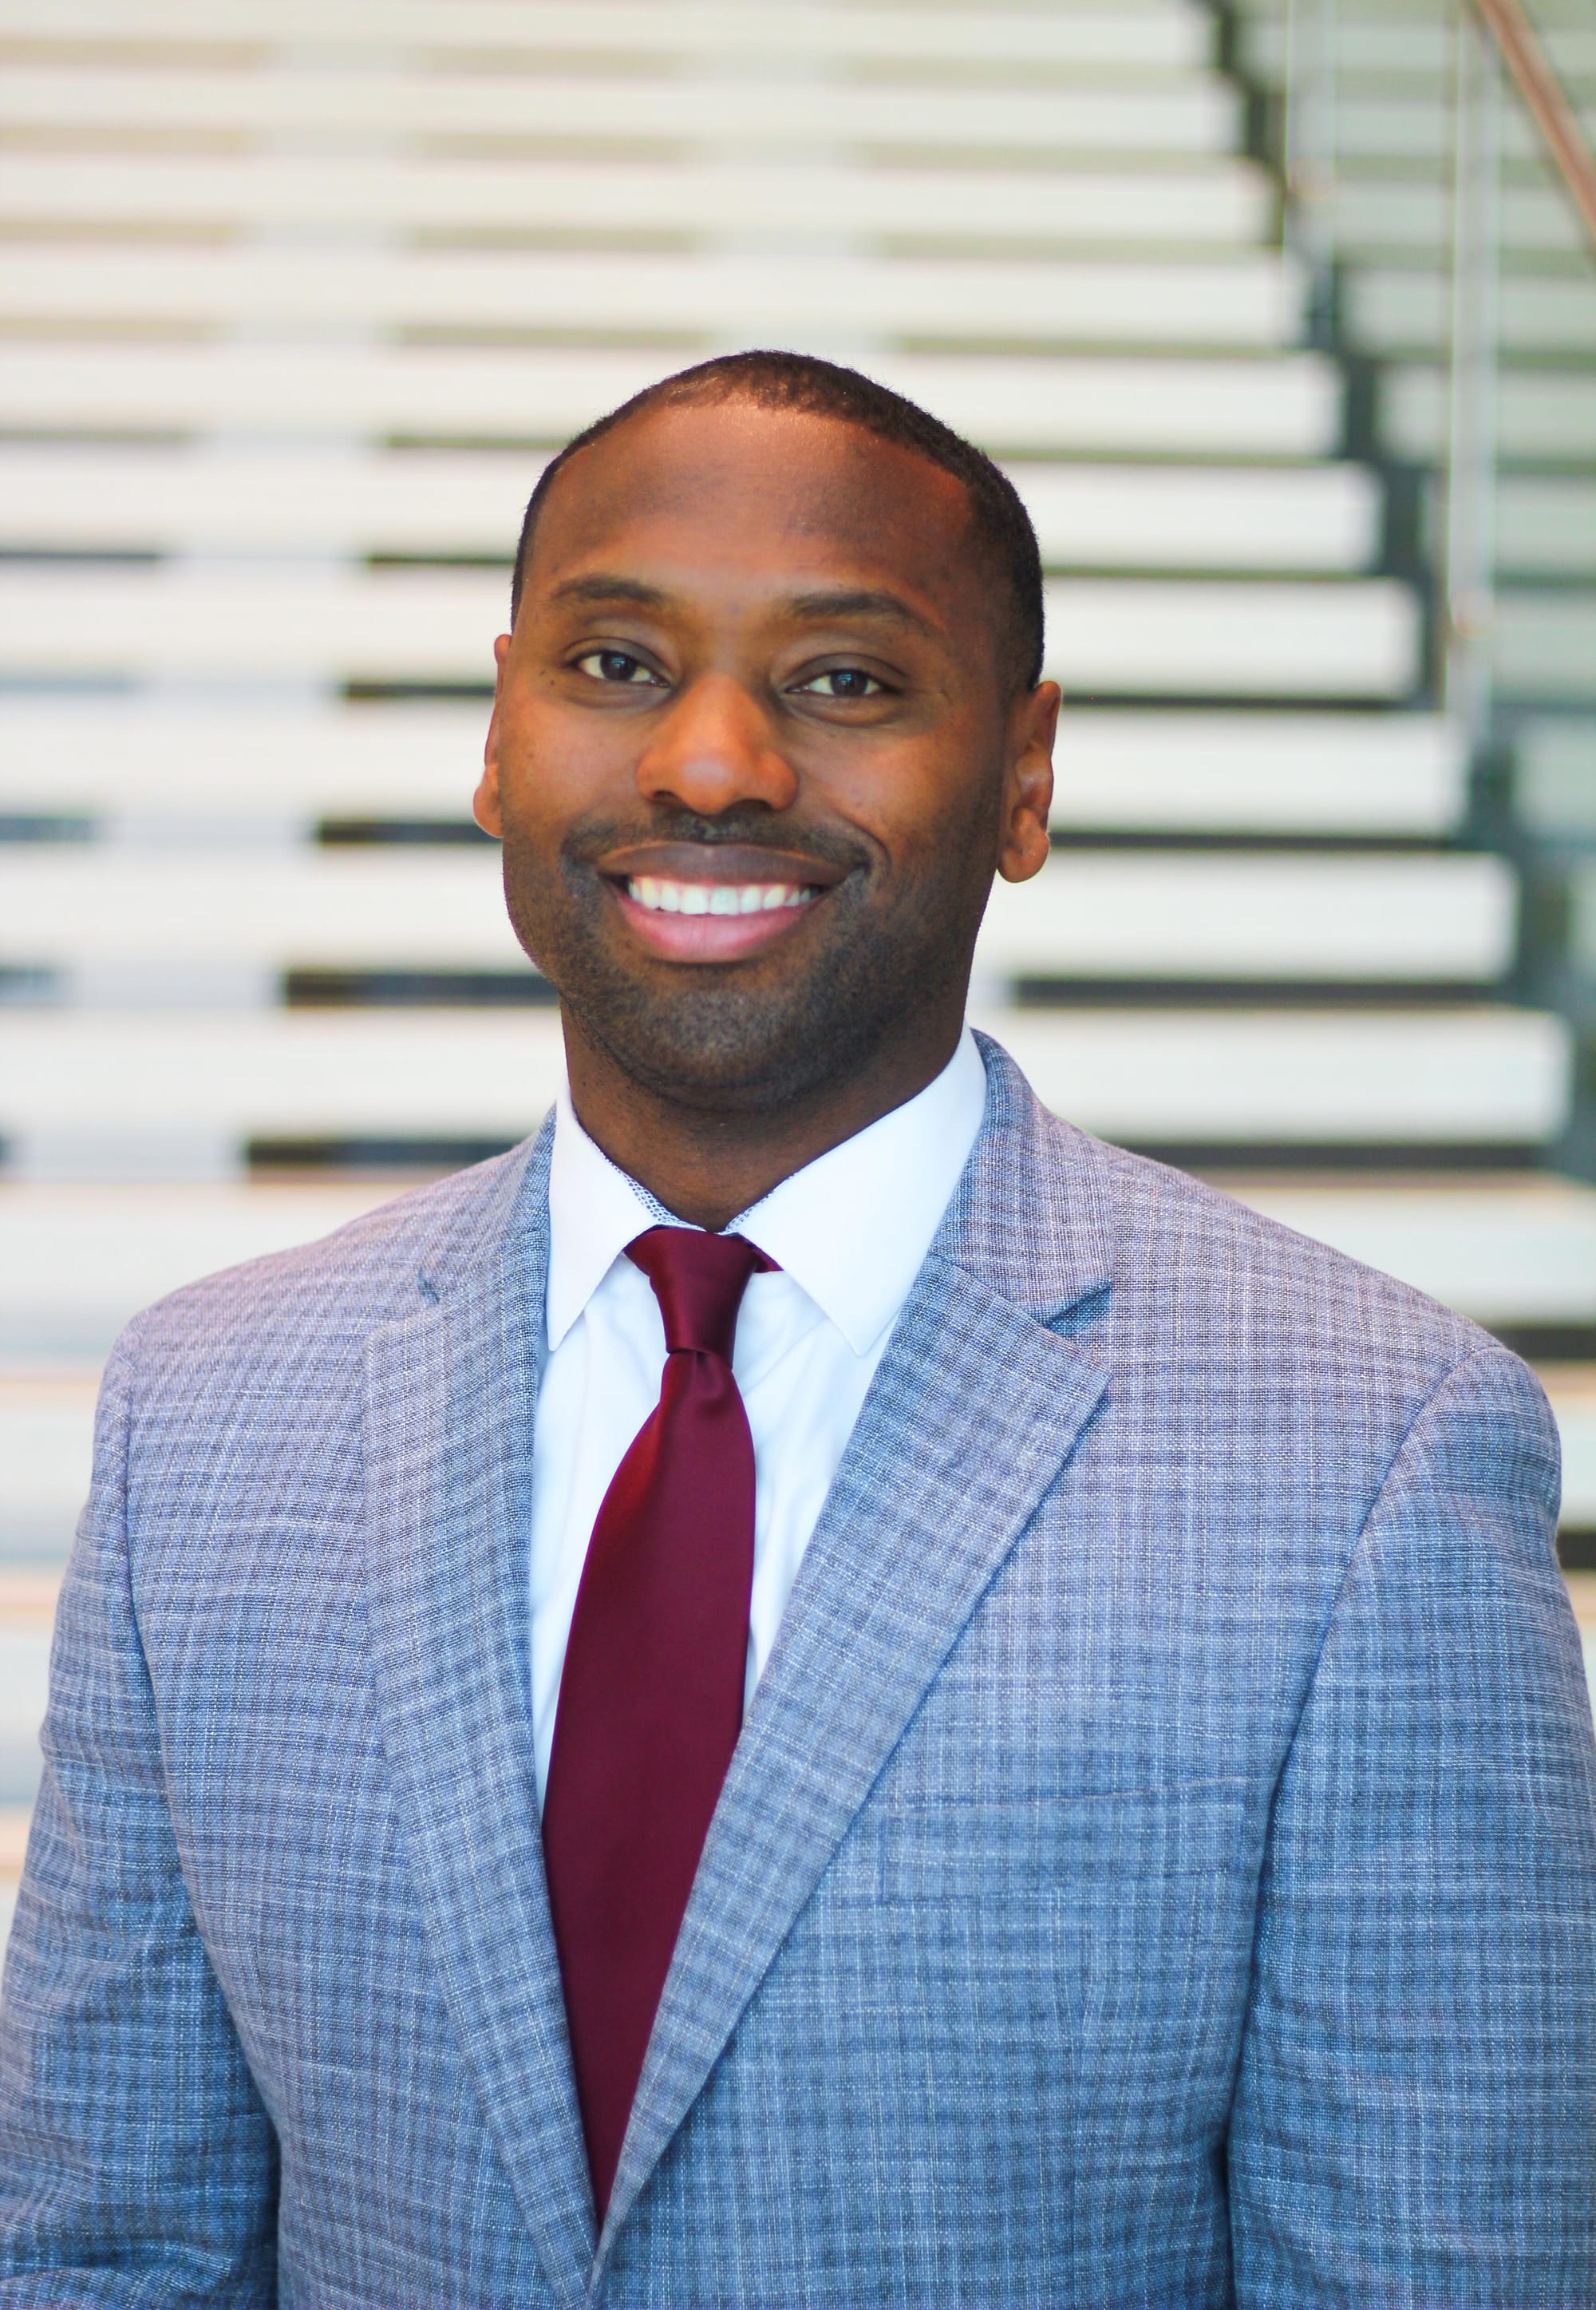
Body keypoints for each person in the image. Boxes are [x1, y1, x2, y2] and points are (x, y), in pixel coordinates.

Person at [2, 350, 1593, 2308]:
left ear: (1023, 775)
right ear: (498, 737)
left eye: (844, 681)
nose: (711, 765)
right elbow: (102, 2252)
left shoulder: (1374, 1457)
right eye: (613, 666)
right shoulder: (206, 1410)